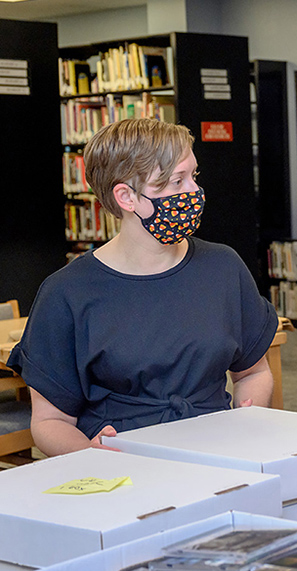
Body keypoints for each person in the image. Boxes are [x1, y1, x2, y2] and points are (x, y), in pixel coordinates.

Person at [6, 118, 278, 456]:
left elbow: (254, 371)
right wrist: (90, 455)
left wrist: (250, 413)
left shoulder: (223, 267)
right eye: (176, 181)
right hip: (124, 467)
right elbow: (49, 422)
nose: (193, 192)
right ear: (126, 197)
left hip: (217, 454)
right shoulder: (66, 293)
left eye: (193, 176)